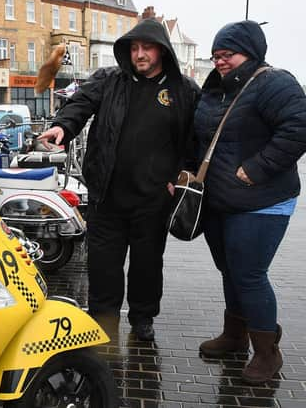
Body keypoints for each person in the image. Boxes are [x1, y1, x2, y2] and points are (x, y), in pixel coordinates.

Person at [38, 19, 200, 341]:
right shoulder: (109, 80)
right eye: (134, 48)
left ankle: (142, 319)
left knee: (147, 266)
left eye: (146, 48)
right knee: (103, 266)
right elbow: (80, 104)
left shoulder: (184, 90)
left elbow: (195, 138)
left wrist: (182, 174)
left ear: (162, 49)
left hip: (153, 199)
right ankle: (103, 320)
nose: (139, 54)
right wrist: (63, 127)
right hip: (106, 196)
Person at [194, 20, 306, 384]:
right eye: (215, 56)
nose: (220, 62)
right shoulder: (215, 90)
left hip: (262, 201)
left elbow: (299, 127)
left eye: (228, 54)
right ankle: (235, 336)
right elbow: (198, 137)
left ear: (251, 52)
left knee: (249, 275)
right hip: (220, 200)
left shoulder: (274, 83)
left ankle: (266, 352)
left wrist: (256, 168)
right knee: (231, 271)